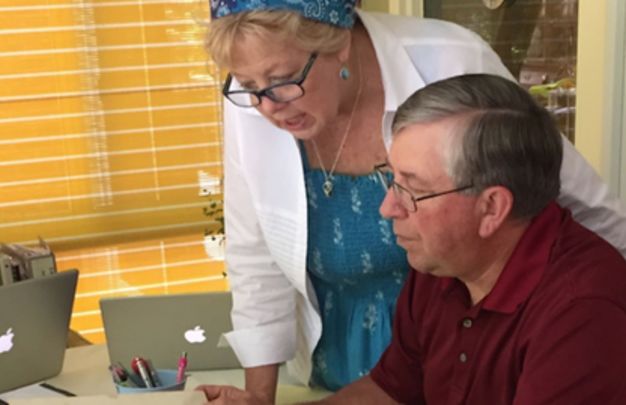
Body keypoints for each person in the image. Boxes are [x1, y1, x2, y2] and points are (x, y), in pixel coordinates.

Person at [201, 0, 626, 402]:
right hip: (381, 351)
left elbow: (568, 193)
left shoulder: (452, 65)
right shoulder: (435, 281)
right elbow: (254, 256)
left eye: (284, 79)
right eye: (248, 86)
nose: (265, 106)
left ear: (339, 43)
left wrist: (605, 303)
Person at [308, 73, 626, 404]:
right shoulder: (444, 261)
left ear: (492, 208)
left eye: (413, 189)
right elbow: (391, 389)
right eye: (391, 178)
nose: (388, 208)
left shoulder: (582, 311)